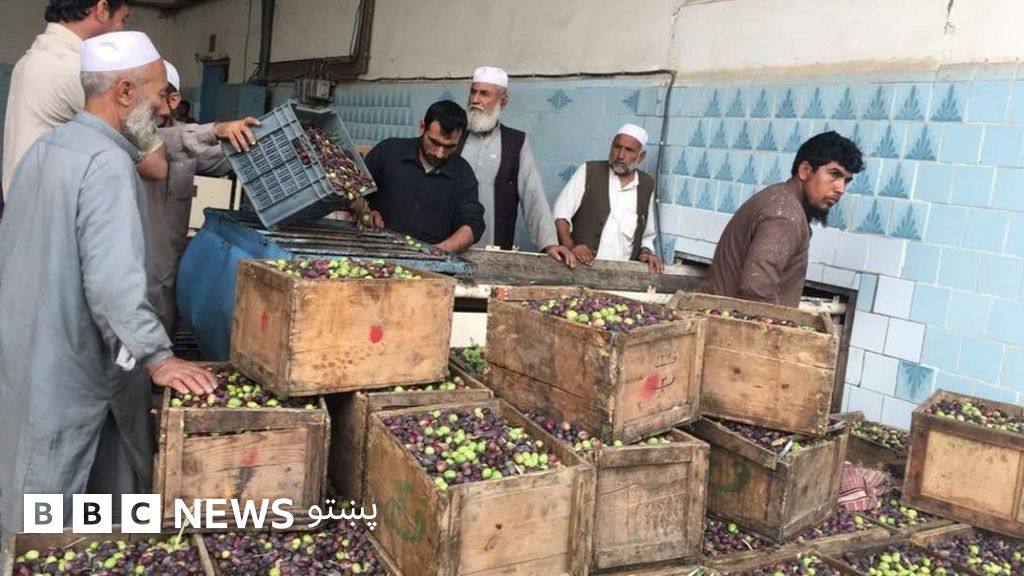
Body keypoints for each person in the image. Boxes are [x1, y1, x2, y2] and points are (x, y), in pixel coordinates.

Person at [0, 31, 217, 535]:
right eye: (160, 94)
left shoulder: (45, 148)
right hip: (73, 371)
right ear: (124, 92)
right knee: (49, 516)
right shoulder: (108, 165)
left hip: (24, 355)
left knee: (32, 482)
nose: (165, 109)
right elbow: (111, 283)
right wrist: (157, 356)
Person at [143, 60, 258, 334]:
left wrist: (257, 146)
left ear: (173, 99)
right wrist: (215, 129)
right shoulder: (131, 134)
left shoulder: (188, 139)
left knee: (162, 335)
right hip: (131, 263)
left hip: (168, 264)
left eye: (154, 96)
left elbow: (219, 158)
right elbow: (165, 141)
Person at [699, 131, 863, 307]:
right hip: (724, 320)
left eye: (846, 181)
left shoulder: (781, 200)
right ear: (805, 170)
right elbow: (757, 289)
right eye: (834, 174)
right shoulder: (785, 215)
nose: (841, 189)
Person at [4, 0, 139, 193]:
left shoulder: (33, 58)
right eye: (122, 19)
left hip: (23, 202)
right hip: (51, 204)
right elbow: (153, 164)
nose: (121, 30)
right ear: (102, 9)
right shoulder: (74, 69)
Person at [458, 66, 575, 266]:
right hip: (449, 243)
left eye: (484, 94)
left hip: (492, 249)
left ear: (503, 100)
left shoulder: (515, 142)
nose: (475, 100)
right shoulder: (454, 135)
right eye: (473, 92)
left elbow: (533, 196)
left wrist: (549, 244)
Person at [364, 100, 485, 253]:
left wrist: (436, 252)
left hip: (429, 263)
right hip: (372, 252)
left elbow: (472, 224)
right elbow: (354, 191)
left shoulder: (463, 173)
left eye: (449, 147)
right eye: (434, 142)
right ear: (422, 127)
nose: (439, 153)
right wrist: (365, 211)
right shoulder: (389, 152)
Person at [553, 123, 664, 273]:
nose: (620, 155)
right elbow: (560, 216)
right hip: (579, 269)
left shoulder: (646, 185)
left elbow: (647, 235)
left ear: (641, 156)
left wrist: (646, 253)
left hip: (621, 274)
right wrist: (571, 247)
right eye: (617, 147)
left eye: (629, 150)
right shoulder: (589, 171)